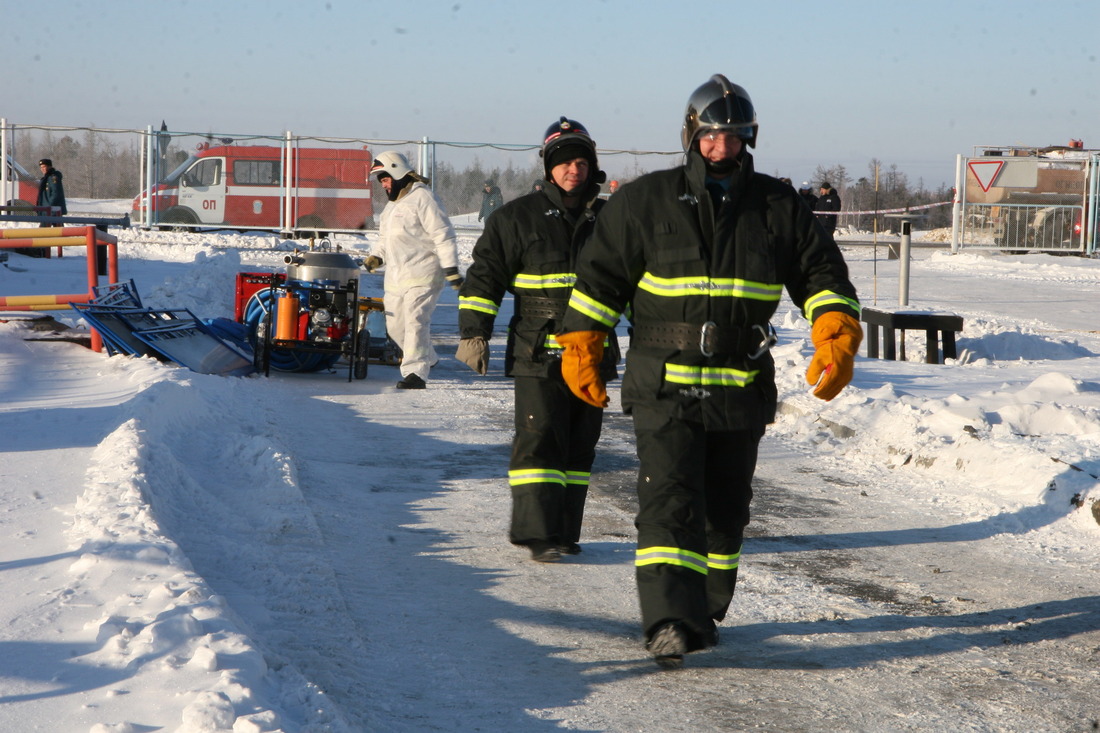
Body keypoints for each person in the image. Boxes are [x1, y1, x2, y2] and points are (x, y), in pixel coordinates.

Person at [557, 74, 862, 668]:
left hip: (741, 384)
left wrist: (834, 331)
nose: (723, 147)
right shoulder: (644, 201)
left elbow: (822, 276)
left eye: (735, 135)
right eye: (712, 136)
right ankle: (670, 617)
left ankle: (703, 609)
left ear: (750, 137)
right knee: (669, 499)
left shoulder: (778, 205)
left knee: (725, 512)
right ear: (692, 135)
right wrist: (582, 341)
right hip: (664, 382)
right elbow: (598, 282)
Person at [456, 117, 618, 563]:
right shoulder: (516, 218)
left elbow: (640, 282)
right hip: (537, 347)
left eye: (581, 161)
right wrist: (475, 332)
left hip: (594, 349)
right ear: (548, 167)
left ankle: (565, 531)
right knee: (540, 436)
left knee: (581, 443)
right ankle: (536, 533)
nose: (573, 170)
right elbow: (485, 275)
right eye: (564, 161)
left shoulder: (612, 221)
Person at [365, 151, 462, 389]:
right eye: (381, 181)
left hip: (424, 274)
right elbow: (385, 239)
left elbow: (443, 235)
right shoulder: (391, 207)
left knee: (416, 321)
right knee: (396, 327)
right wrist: (377, 256)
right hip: (396, 277)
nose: (384, 185)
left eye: (385, 178)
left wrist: (451, 268)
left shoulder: (424, 198)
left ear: (397, 171)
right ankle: (428, 358)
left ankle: (416, 373)